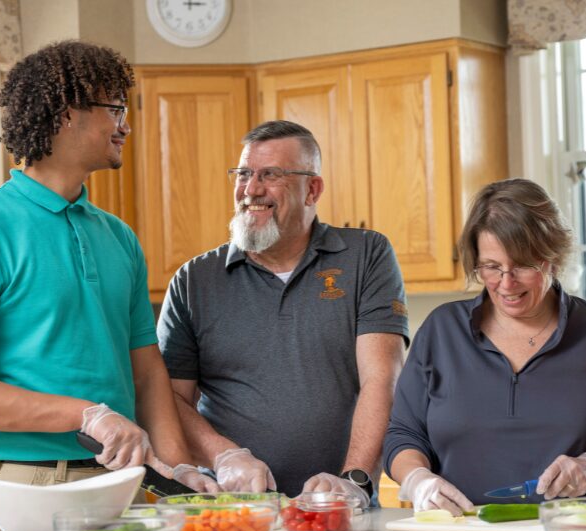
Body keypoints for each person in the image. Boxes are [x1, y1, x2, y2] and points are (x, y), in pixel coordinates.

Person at [0, 40, 217, 531]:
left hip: (118, 487)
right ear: (65, 115)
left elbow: (146, 372)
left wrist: (179, 473)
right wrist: (85, 415)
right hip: (19, 492)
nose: (126, 125)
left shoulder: (119, 238)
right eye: (114, 109)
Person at [156, 120, 409, 504]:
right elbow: (169, 399)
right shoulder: (194, 280)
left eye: (270, 175)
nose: (251, 189)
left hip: (338, 507)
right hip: (233, 509)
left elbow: (382, 378)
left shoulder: (366, 255)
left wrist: (354, 479)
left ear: (313, 189)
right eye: (243, 174)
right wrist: (224, 455)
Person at [383, 178, 586, 515]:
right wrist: (418, 479)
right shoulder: (441, 331)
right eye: (492, 267)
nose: (506, 283)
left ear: (553, 258)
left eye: (524, 266)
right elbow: (403, 435)